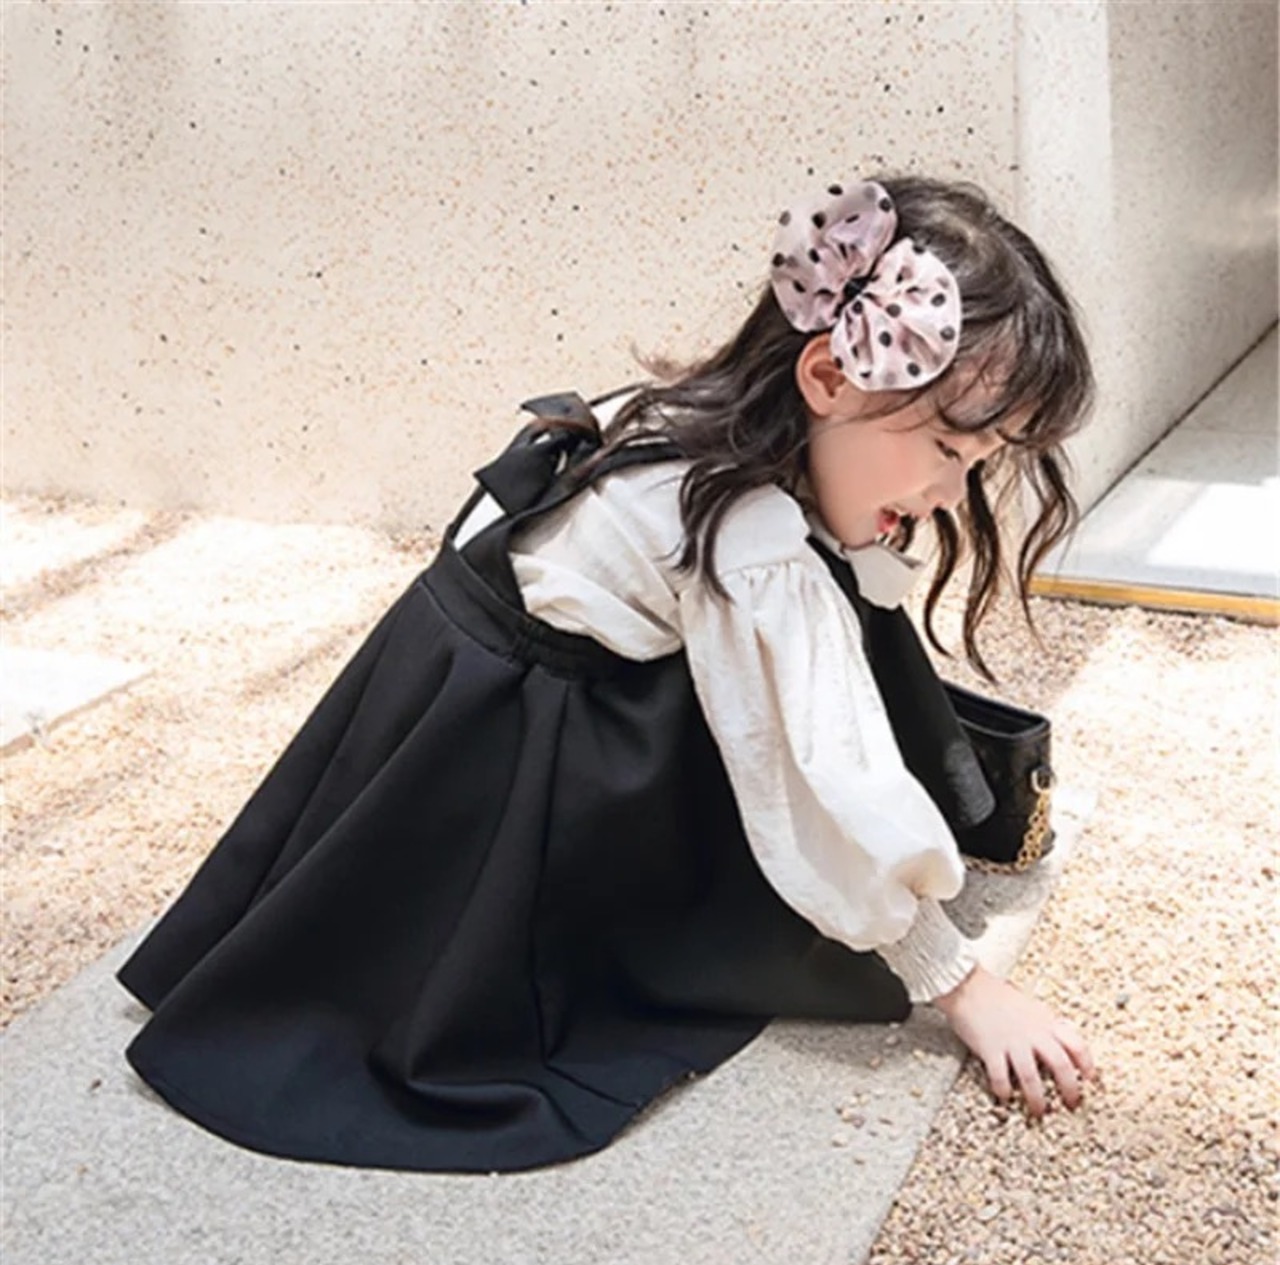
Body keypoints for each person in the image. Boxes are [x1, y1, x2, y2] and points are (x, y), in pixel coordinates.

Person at [119, 175, 1099, 1174]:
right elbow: (820, 776)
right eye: (946, 447)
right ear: (825, 377)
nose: (949, 492)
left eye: (974, 463)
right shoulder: (737, 530)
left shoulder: (690, 423)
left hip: (436, 706)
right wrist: (959, 982)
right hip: (502, 780)